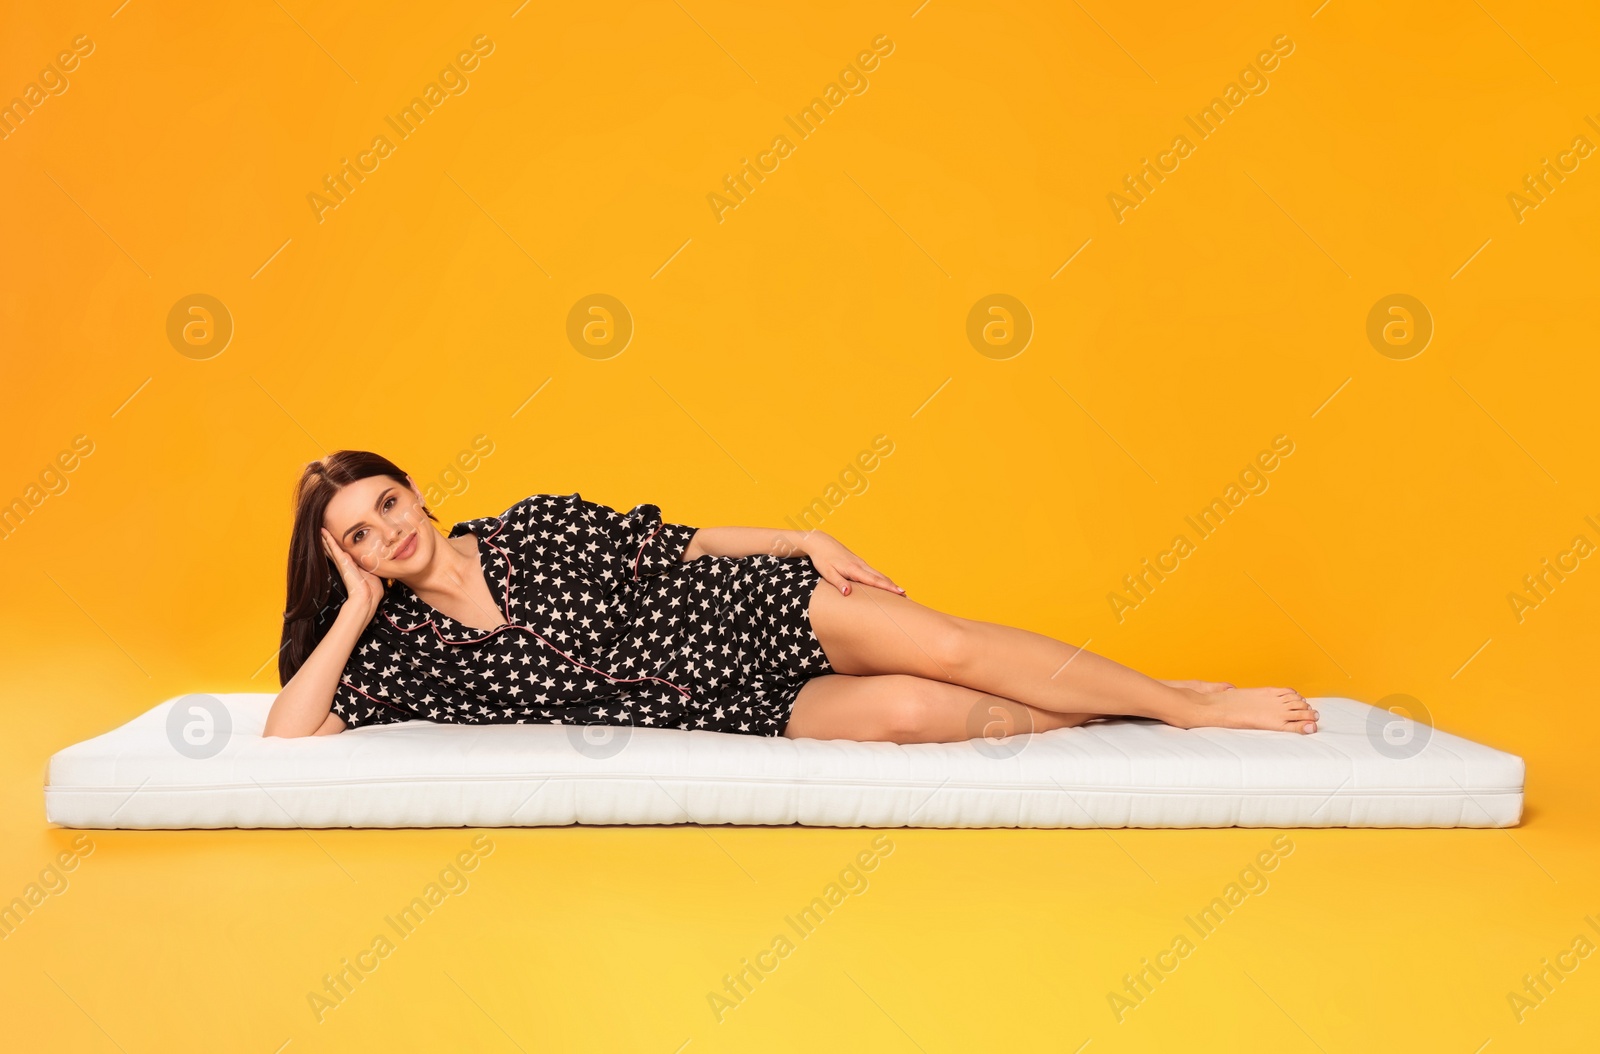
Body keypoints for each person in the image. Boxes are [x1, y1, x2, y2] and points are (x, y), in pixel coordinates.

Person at [267, 450, 1319, 741]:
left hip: (752, 609)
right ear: (344, 557)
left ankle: (1191, 704)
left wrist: (801, 537)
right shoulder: (399, 649)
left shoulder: (535, 523)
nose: (390, 531)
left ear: (415, 489)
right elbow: (285, 728)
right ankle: (1120, 699)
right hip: (719, 703)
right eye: (359, 534)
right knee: (920, 712)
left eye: (388, 502)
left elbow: (682, 540)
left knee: (946, 647)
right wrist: (355, 608)